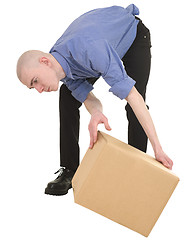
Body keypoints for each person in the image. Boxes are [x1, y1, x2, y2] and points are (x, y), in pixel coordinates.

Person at [16, 4, 173, 196]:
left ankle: (136, 168)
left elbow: (134, 97)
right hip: (100, 43)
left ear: (45, 62)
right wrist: (97, 113)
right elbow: (89, 98)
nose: (39, 90)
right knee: (67, 95)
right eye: (33, 88)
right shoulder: (59, 65)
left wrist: (158, 148)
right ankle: (69, 170)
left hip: (132, 37)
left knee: (133, 102)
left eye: (36, 81)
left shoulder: (91, 50)